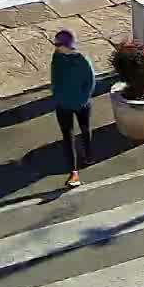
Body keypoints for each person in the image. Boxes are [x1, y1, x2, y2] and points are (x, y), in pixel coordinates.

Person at [49, 30, 96, 187]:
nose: (55, 47)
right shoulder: (57, 57)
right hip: (63, 105)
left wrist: (82, 100)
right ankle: (74, 172)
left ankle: (89, 155)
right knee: (68, 137)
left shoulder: (82, 60)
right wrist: (56, 96)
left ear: (66, 46)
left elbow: (90, 82)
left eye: (57, 44)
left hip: (81, 104)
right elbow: (54, 78)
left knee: (85, 130)